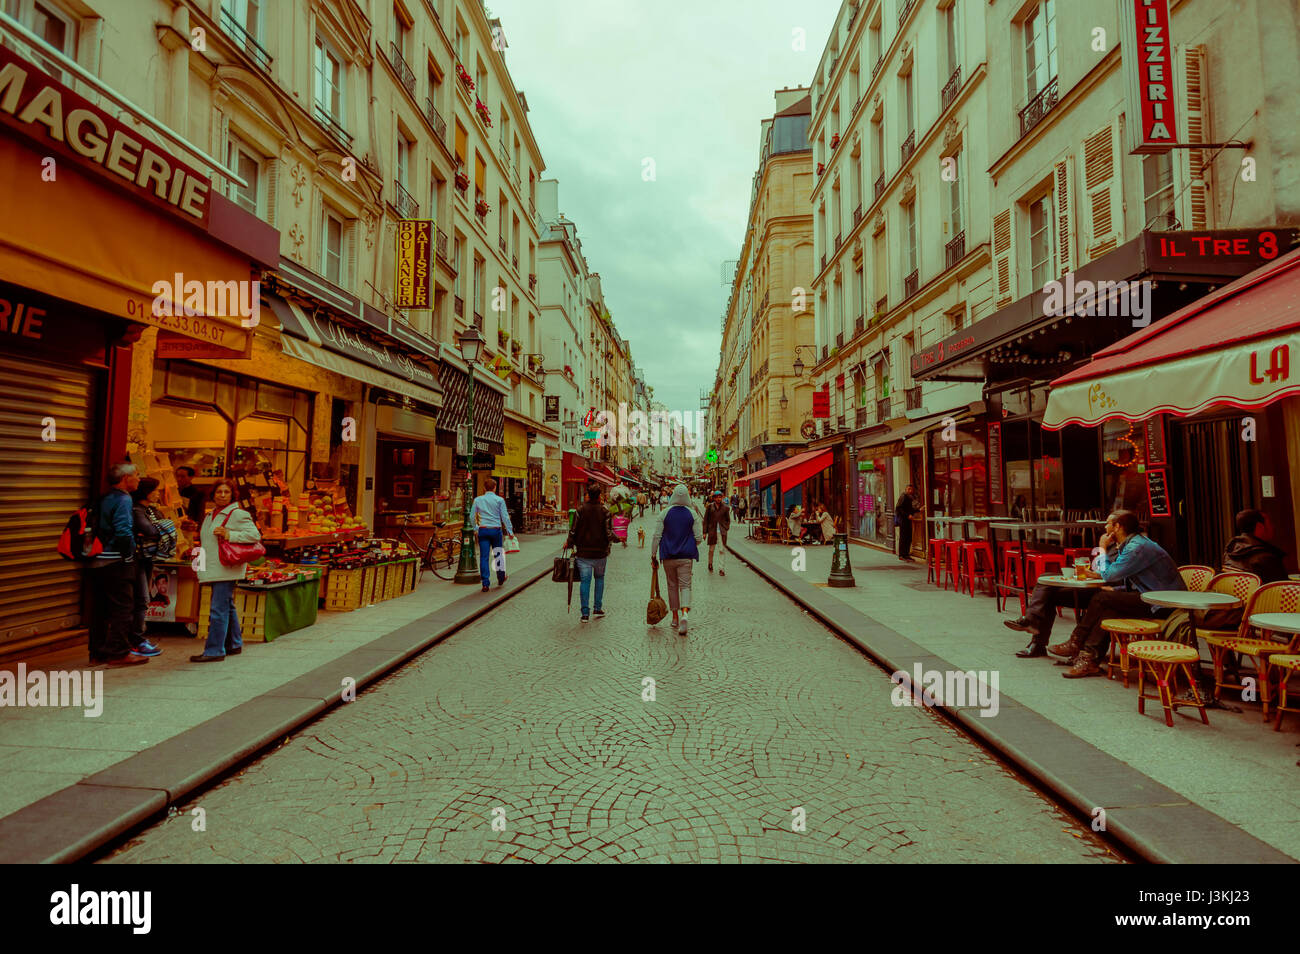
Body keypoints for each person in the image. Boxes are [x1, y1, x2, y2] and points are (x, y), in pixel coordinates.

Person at [1019, 511, 1184, 677]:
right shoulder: (1131, 544)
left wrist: (1102, 547)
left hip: (1162, 602)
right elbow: (1122, 577)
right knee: (1107, 605)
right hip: (1149, 596)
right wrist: (1115, 588)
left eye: (1108, 523)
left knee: (1103, 598)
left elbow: (1110, 575)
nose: (1105, 527)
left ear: (1117, 527)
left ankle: (1076, 642)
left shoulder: (1137, 547)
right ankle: (1088, 659)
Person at [192, 478, 262, 662]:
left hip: (226, 566)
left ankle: (215, 650)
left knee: (218, 608)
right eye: (219, 492)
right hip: (214, 566)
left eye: (226, 492)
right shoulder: (210, 515)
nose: (222, 495)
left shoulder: (237, 513)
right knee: (226, 606)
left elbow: (255, 535)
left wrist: (229, 534)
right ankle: (234, 643)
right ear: (213, 494)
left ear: (232, 495)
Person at [88, 463, 150, 666]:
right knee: (123, 608)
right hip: (116, 561)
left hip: (97, 560)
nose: (139, 479)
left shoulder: (105, 497)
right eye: (136, 475)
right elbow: (123, 531)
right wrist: (130, 556)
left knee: (100, 609)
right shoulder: (124, 499)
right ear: (125, 478)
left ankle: (97, 652)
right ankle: (119, 652)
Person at [129, 477, 174, 656]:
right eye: (155, 490)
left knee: (143, 599)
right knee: (141, 599)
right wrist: (163, 528)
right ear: (146, 492)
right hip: (136, 559)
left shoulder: (152, 510)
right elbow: (151, 530)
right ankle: (136, 640)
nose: (158, 493)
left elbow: (161, 525)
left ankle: (137, 638)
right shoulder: (137, 510)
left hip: (147, 559)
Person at [652, 483, 703, 636]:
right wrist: (690, 543)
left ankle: (674, 617)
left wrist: (653, 554)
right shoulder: (692, 514)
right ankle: (685, 614)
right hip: (686, 556)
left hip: (668, 556)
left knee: (672, 585)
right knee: (686, 586)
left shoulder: (664, 513)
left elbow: (656, 536)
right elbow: (699, 538)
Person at [565, 487, 613, 623]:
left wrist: (569, 543)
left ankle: (585, 613)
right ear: (599, 496)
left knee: (585, 582)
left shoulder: (580, 510)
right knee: (599, 578)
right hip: (600, 553)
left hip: (583, 552)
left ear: (587, 496)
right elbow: (609, 533)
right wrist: (617, 538)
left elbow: (573, 530)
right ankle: (597, 607)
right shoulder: (605, 511)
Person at [470, 476, 514, 592]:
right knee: (498, 554)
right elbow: (504, 516)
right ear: (495, 488)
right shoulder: (499, 500)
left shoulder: (478, 500)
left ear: (484, 488)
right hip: (496, 530)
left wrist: (476, 528)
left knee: (484, 557)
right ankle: (500, 577)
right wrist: (510, 531)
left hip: (483, 530)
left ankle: (485, 583)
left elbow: (471, 516)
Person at [1222, 509, 1289, 583]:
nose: (1273, 527)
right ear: (1259, 527)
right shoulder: (1267, 557)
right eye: (1269, 523)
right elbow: (1283, 587)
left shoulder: (1230, 551)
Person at [705, 490, 730, 576]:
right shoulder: (710, 507)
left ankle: (721, 569)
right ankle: (710, 563)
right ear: (714, 498)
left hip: (722, 532)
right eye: (717, 497)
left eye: (720, 497)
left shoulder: (726, 508)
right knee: (711, 550)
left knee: (721, 550)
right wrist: (705, 532)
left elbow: (728, 520)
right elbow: (705, 520)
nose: (719, 499)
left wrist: (726, 527)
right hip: (712, 531)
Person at [895, 484, 922, 562]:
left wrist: (919, 510)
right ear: (906, 489)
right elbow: (899, 508)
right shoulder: (903, 496)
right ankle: (902, 555)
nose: (910, 491)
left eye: (911, 489)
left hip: (907, 521)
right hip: (903, 521)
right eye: (909, 489)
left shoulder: (909, 498)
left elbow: (910, 509)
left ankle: (906, 554)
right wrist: (907, 515)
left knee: (908, 538)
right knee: (904, 538)